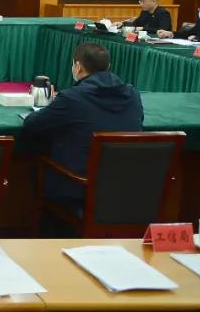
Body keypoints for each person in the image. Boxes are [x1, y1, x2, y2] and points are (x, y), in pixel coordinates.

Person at [22, 43, 143, 212]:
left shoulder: (73, 98)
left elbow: (32, 125)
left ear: (77, 67)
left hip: (80, 189)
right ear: (108, 66)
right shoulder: (133, 94)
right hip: (128, 189)